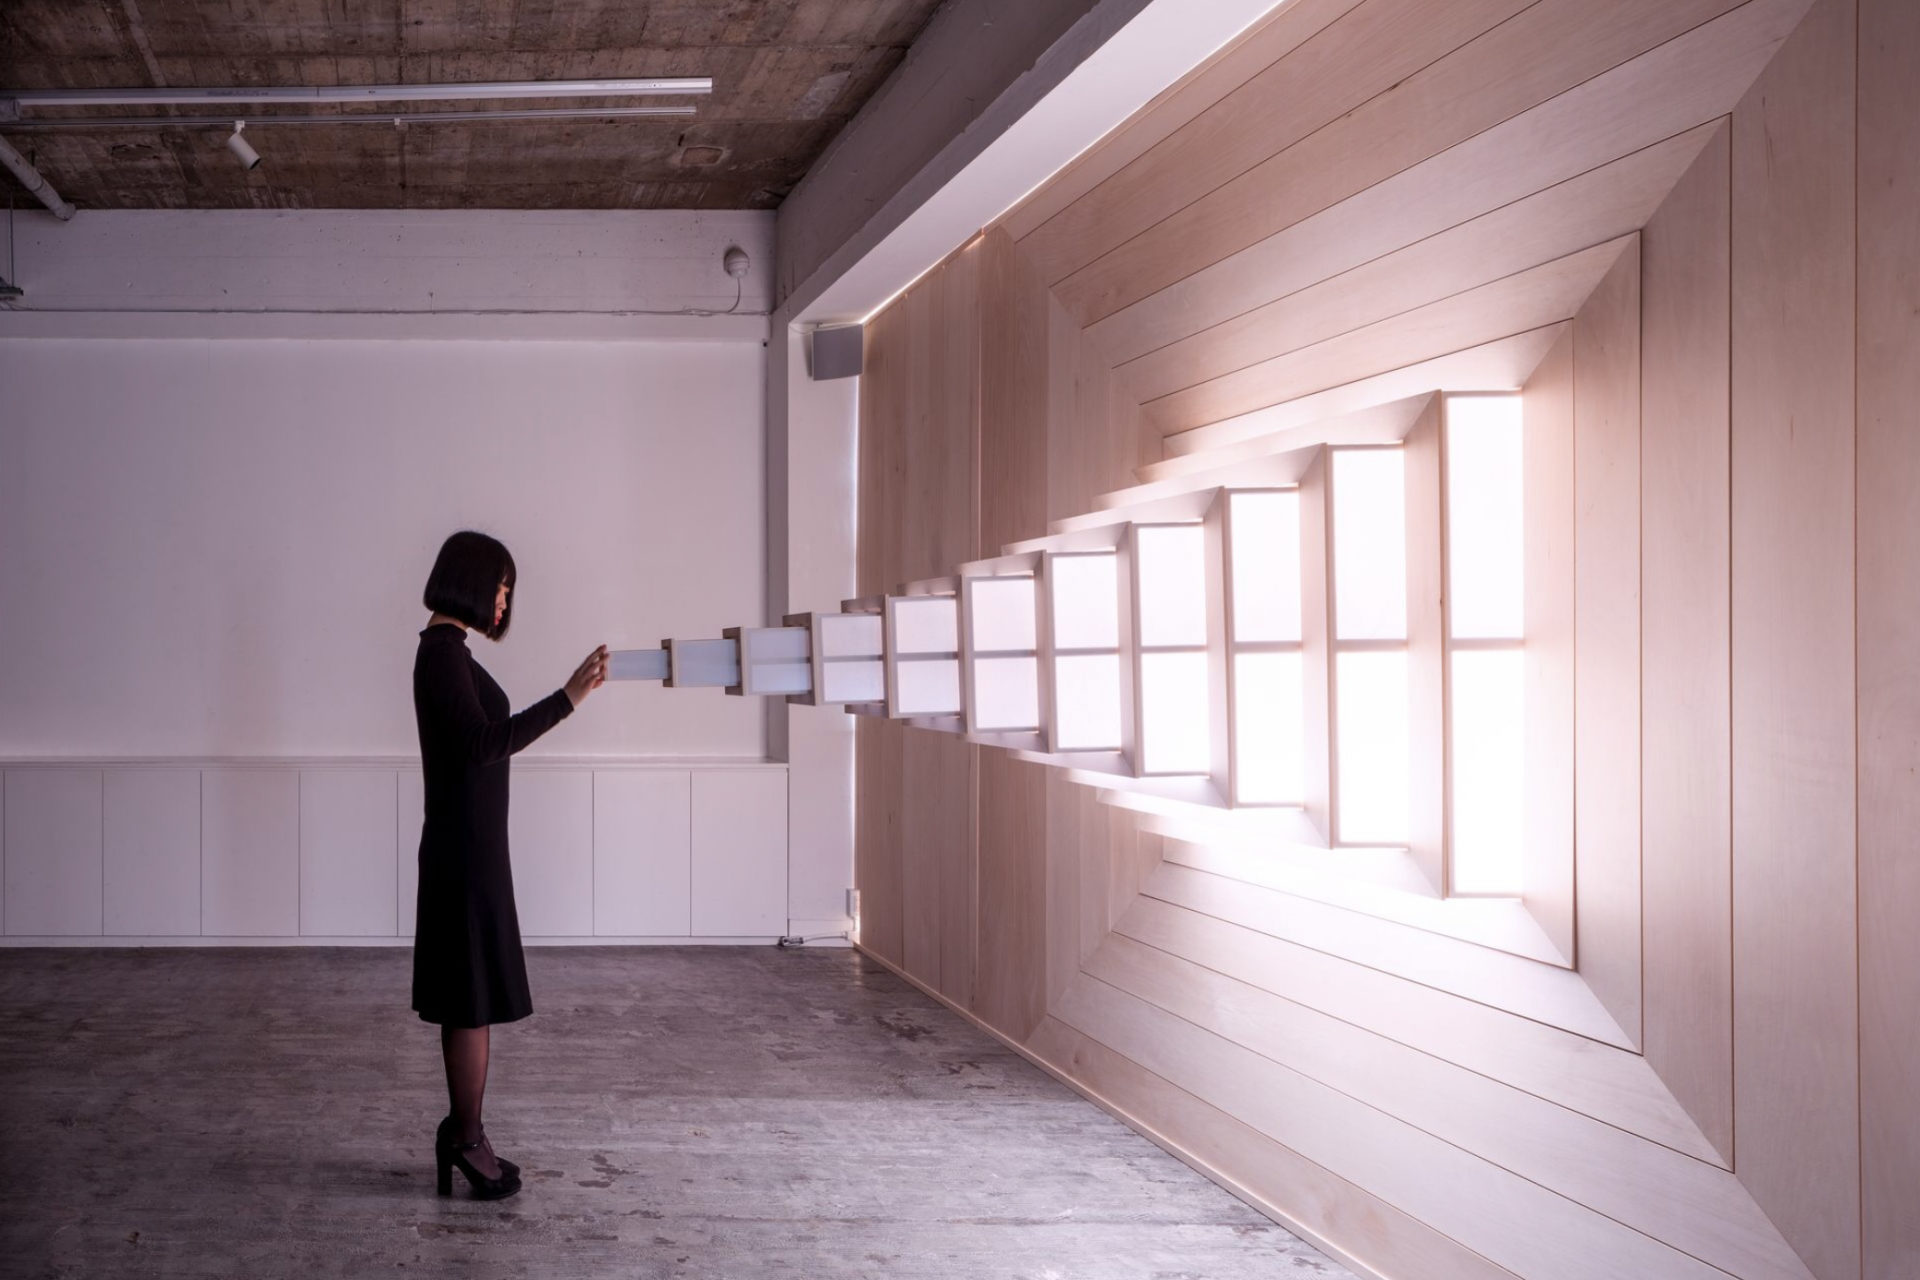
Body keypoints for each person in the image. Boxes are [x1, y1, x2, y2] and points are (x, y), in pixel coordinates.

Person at [410, 530, 607, 1200]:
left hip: (473, 851)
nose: (503, 600)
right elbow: (483, 743)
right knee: (468, 1003)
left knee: (474, 1000)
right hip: (464, 856)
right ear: (469, 579)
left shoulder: (449, 652)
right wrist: (568, 699)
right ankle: (464, 1139)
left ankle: (466, 1132)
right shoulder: (440, 656)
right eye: (500, 586)